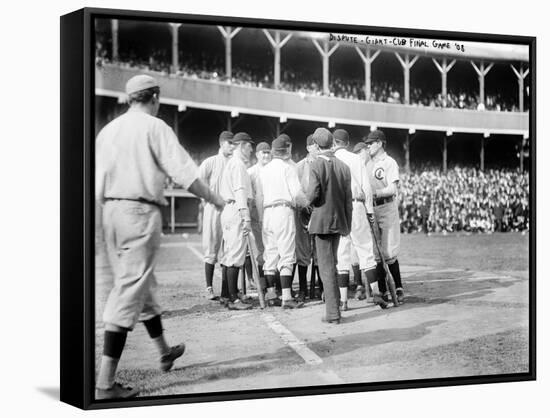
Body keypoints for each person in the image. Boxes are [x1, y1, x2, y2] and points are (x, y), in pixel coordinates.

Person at [95, 74, 225, 399]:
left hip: (108, 211)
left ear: (129, 99)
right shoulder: (155, 127)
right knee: (130, 290)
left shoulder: (108, 130)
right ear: (154, 98)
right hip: (139, 212)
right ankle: (105, 383)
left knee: (142, 286)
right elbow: (185, 174)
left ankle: (164, 351)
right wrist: (215, 199)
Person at [332, 129, 387, 310]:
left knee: (342, 254)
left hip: (338, 209)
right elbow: (367, 189)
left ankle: (343, 301)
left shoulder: (331, 159)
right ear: (347, 143)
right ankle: (376, 292)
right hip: (357, 206)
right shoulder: (356, 159)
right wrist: (370, 212)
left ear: (334, 142)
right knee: (365, 250)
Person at [306, 128, 352, 324]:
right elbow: (348, 201)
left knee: (326, 268)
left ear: (316, 145)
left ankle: (333, 313)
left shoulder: (315, 165)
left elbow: (312, 195)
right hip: (339, 222)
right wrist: (347, 225)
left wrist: (304, 202)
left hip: (321, 222)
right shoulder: (343, 167)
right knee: (332, 264)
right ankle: (335, 309)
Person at [257, 135, 308, 308]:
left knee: (270, 254)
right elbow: (297, 194)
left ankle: (271, 294)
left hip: (267, 213)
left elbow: (259, 196)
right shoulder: (288, 168)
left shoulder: (263, 169)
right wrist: (308, 205)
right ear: (286, 150)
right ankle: (286, 297)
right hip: (283, 210)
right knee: (286, 254)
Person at [364, 129, 405, 303]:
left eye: (371, 143)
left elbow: (392, 189)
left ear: (380, 143)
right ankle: (382, 289)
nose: (368, 146)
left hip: (387, 206)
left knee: (388, 251)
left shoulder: (389, 162)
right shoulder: (366, 163)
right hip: (372, 208)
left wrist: (374, 192)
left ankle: (398, 287)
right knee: (375, 252)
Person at [219, 132, 256, 310]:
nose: (251, 149)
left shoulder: (230, 163)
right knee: (235, 255)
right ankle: (233, 299)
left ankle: (226, 295)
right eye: (249, 145)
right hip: (236, 208)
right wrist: (246, 217)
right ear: (241, 145)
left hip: (228, 209)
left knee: (228, 254)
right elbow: (240, 191)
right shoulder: (238, 164)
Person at [199, 131, 235, 300]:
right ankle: (209, 287)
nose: (232, 146)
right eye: (229, 143)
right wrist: (206, 199)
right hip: (213, 208)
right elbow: (197, 180)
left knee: (229, 248)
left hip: (230, 208)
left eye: (234, 143)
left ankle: (227, 290)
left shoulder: (235, 163)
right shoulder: (211, 161)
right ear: (221, 143)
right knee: (211, 247)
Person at [295, 135, 320, 301]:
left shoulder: (323, 164)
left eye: (318, 146)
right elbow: (295, 190)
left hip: (319, 211)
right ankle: (303, 288)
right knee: (303, 251)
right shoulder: (299, 167)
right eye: (314, 146)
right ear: (308, 147)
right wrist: (305, 205)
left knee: (319, 250)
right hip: (303, 211)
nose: (317, 149)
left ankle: (321, 287)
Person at [247, 141, 272, 292]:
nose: (266, 155)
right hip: (256, 215)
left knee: (272, 249)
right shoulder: (251, 172)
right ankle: (261, 282)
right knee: (260, 251)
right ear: (257, 155)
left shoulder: (273, 169)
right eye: (263, 152)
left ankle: (273, 284)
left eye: (268, 152)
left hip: (271, 213)